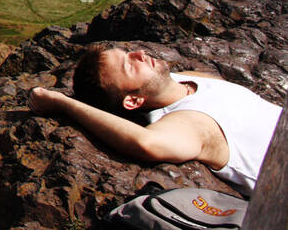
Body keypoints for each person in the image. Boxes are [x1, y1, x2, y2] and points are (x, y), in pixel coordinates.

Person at [28, 42, 282, 196]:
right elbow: (146, 143)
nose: (139, 53)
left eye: (128, 53)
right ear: (133, 101)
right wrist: (64, 103)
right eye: (130, 65)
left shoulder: (188, 81)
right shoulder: (191, 124)